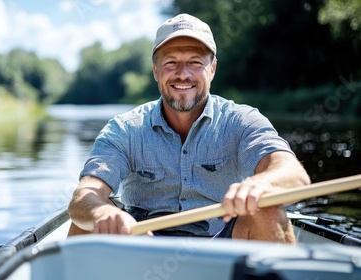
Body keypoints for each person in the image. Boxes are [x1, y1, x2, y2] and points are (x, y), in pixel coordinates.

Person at [67, 13, 310, 242]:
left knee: (267, 208)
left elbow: (293, 173)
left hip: (223, 246)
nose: (183, 75)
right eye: (171, 62)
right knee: (86, 220)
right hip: (140, 246)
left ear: (212, 69)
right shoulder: (123, 129)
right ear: (155, 70)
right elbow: (83, 195)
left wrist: (260, 185)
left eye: (195, 62)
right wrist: (102, 214)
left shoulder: (243, 120)